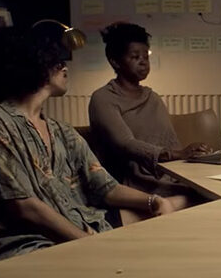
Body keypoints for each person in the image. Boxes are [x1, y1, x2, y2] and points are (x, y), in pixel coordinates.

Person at [0, 28, 175, 263]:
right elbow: (24, 206)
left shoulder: (61, 130)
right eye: (56, 63)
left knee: (177, 215)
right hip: (29, 241)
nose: (65, 68)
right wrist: (91, 245)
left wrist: (154, 201)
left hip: (86, 223)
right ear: (32, 65)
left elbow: (105, 187)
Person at [89, 23, 210, 211]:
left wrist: (195, 155)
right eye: (135, 57)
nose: (143, 62)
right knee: (203, 198)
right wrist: (176, 154)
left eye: (146, 56)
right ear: (115, 62)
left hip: (166, 175)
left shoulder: (152, 98)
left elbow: (170, 143)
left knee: (212, 190)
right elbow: (125, 144)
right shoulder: (103, 98)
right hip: (131, 184)